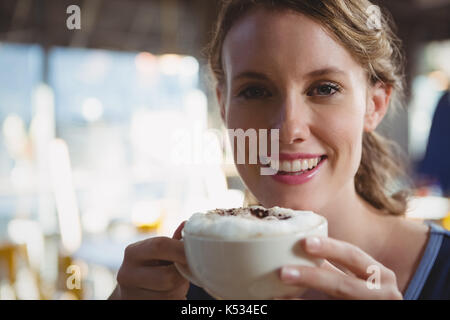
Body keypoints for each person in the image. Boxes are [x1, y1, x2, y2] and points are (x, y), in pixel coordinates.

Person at [109, 0, 449, 300]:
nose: (288, 130)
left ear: (374, 105)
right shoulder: (183, 281)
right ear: (223, 106)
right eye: (255, 91)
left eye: (324, 88)